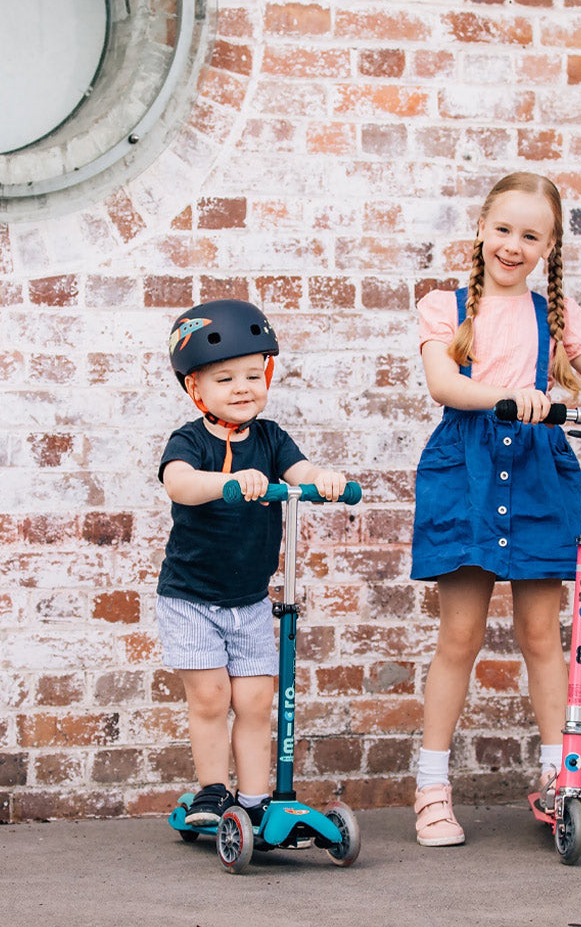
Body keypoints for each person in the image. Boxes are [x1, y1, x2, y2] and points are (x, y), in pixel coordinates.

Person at [410, 171, 581, 846]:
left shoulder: (556, 317)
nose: (513, 245)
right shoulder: (448, 305)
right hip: (468, 470)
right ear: (481, 228)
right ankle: (432, 789)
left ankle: (564, 778)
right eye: (503, 229)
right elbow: (444, 381)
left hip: (535, 473)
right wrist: (501, 392)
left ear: (549, 246)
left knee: (541, 635)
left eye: (530, 235)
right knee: (460, 636)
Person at [158, 298, 348, 828]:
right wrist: (227, 483)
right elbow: (179, 481)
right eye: (225, 379)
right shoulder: (190, 440)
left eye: (251, 374)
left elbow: (300, 468)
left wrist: (322, 478)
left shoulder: (270, 438)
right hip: (191, 598)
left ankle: (256, 801)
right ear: (196, 389)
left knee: (258, 700)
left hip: (248, 601)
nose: (242, 388)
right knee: (213, 697)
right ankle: (213, 794)